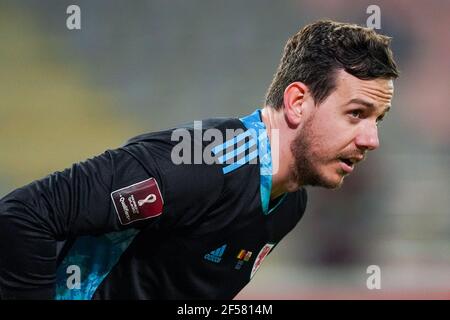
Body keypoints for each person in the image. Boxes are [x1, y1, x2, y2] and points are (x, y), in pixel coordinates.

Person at [0, 20, 399, 300]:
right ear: (297, 103)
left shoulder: (289, 203)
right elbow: (24, 215)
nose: (371, 139)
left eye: (377, 120)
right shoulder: (200, 162)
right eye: (356, 114)